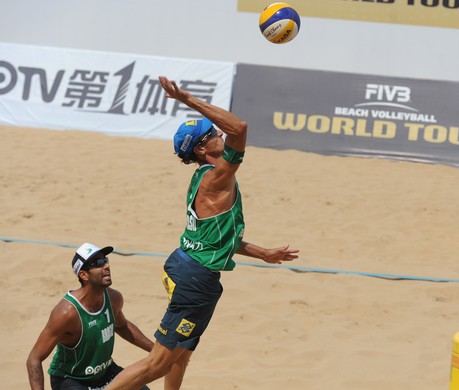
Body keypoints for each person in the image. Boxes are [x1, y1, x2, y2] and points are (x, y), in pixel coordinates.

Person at [106, 76, 299, 390]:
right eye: (211, 134)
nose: (219, 132)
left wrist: (263, 253)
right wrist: (187, 99)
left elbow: (218, 238)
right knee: (158, 363)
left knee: (181, 353)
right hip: (195, 277)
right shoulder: (218, 177)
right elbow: (240, 127)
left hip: (187, 267)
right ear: (200, 147)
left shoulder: (205, 177)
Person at [26, 242, 154, 390]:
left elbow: (123, 326)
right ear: (83, 275)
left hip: (106, 373)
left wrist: (157, 350)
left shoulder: (114, 298)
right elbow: (33, 359)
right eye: (98, 263)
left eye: (105, 260)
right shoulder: (66, 313)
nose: (106, 266)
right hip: (71, 379)